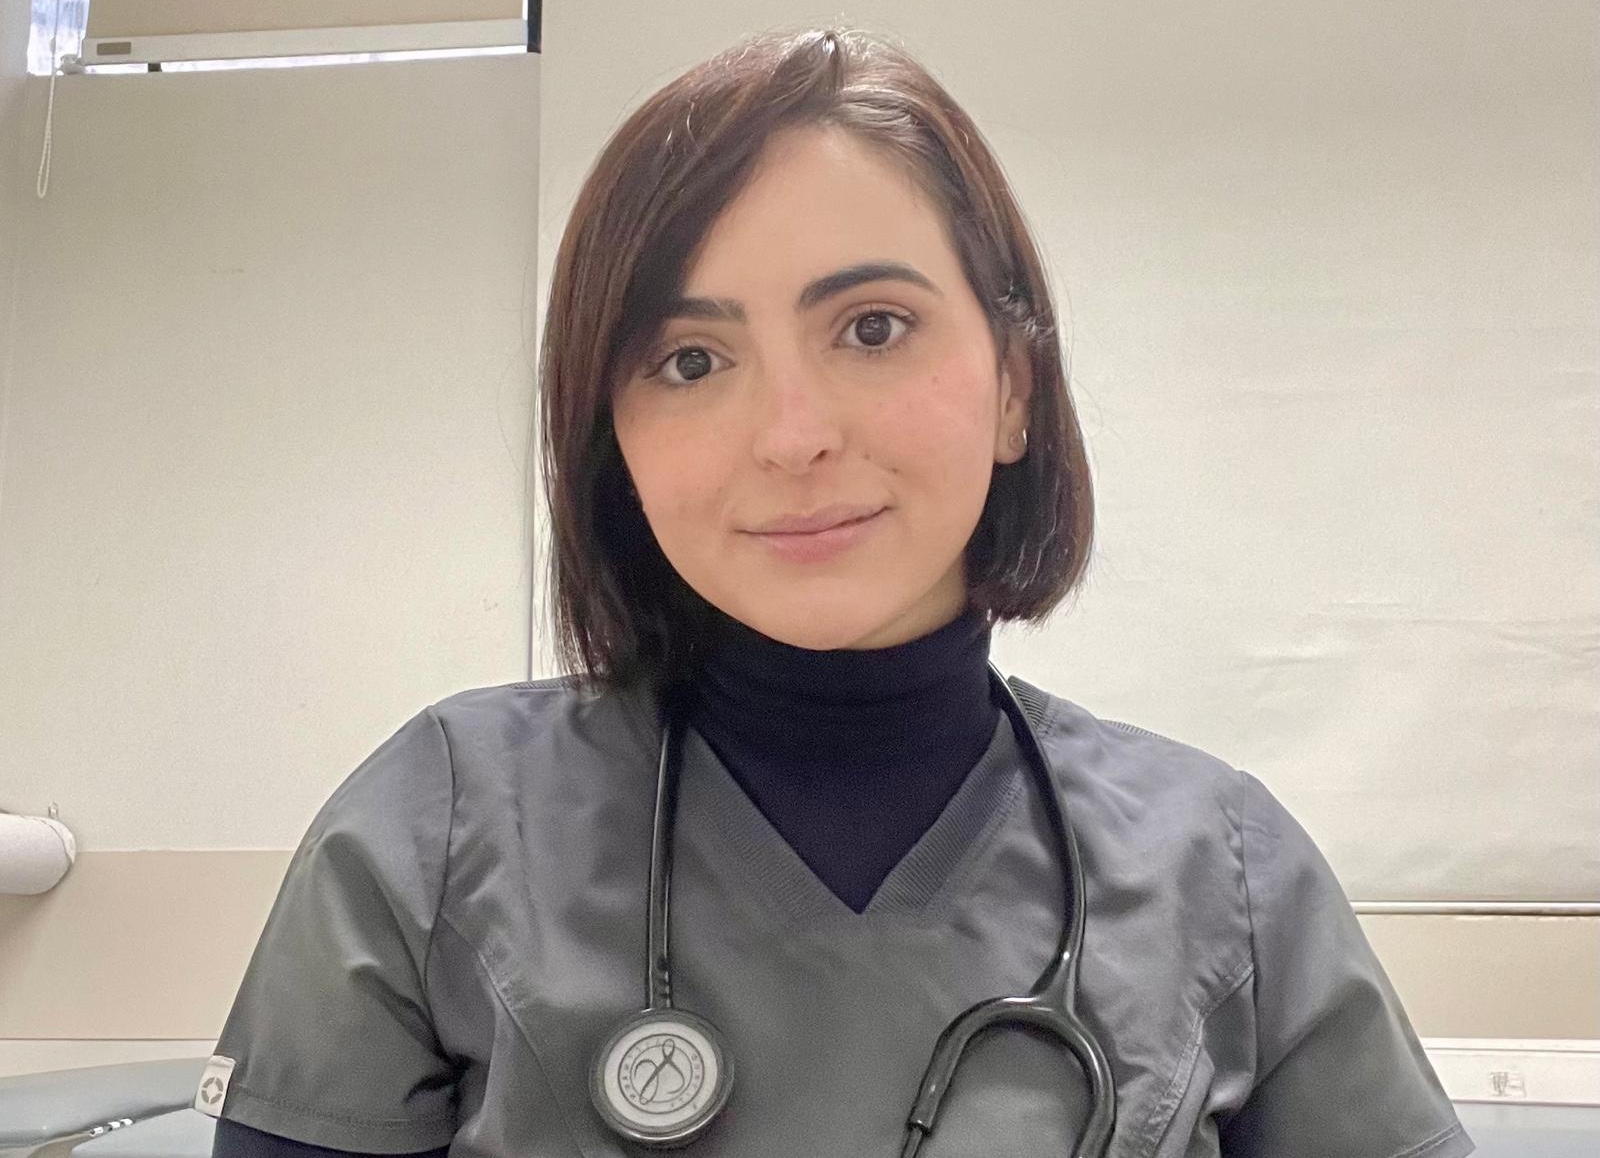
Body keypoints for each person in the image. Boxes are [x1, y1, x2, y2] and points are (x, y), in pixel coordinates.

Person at [203, 26, 1473, 1158]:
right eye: (691, 359)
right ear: (615, 442)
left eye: (871, 327)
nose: (792, 435)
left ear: (1014, 387)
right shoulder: (439, 827)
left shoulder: (1223, 871)